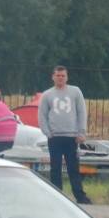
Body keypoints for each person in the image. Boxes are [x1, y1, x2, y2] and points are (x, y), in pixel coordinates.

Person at [39, 65, 90, 204]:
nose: (60, 78)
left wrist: (81, 132)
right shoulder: (47, 94)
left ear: (66, 77)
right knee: (55, 168)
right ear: (53, 77)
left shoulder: (75, 92)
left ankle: (80, 196)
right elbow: (42, 115)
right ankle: (56, 196)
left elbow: (81, 112)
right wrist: (47, 133)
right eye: (58, 75)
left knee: (73, 168)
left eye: (63, 76)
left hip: (72, 137)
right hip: (55, 137)